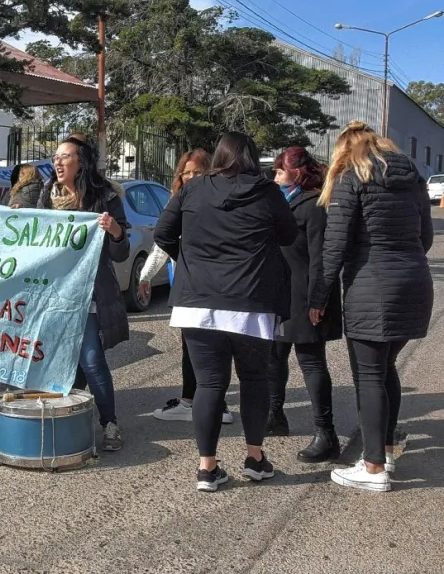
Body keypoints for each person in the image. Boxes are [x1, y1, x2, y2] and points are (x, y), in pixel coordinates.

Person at [154, 131, 297, 492]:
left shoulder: (193, 188)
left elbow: (163, 233)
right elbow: (289, 235)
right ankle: (255, 459)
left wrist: (189, 260)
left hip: (197, 304)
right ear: (252, 156)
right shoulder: (267, 191)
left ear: (218, 156)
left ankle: (207, 468)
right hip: (251, 302)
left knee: (208, 385)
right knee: (253, 381)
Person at [311, 121, 433, 492]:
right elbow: (425, 237)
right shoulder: (413, 180)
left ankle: (374, 467)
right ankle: (387, 449)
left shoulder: (351, 178)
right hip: (415, 284)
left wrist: (319, 298)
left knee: (368, 375)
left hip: (371, 287)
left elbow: (335, 246)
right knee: (385, 368)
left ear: (347, 151)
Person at [37, 137, 130, 451]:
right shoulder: (46, 195)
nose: (58, 162)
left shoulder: (104, 197)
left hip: (89, 293)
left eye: (66, 156)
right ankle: (66, 420)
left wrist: (115, 231)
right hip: (54, 294)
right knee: (62, 362)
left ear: (82, 162)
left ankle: (110, 424)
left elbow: (121, 252)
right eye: (56, 156)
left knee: (91, 359)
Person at [139, 150, 234, 425]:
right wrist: (146, 276)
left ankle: (210, 404)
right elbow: (162, 243)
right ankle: (196, 400)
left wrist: (189, 261)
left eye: (197, 172)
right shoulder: (178, 201)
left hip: (206, 286)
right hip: (188, 286)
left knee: (210, 346)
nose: (191, 177)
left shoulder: (210, 201)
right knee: (192, 346)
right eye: (186, 172)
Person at [266, 147, 343, 463]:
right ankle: (275, 415)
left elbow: (321, 258)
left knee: (311, 361)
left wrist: (318, 299)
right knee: (274, 356)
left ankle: (326, 433)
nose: (275, 176)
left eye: (279, 170)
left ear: (296, 172)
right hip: (279, 292)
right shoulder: (283, 200)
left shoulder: (314, 205)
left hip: (306, 294)